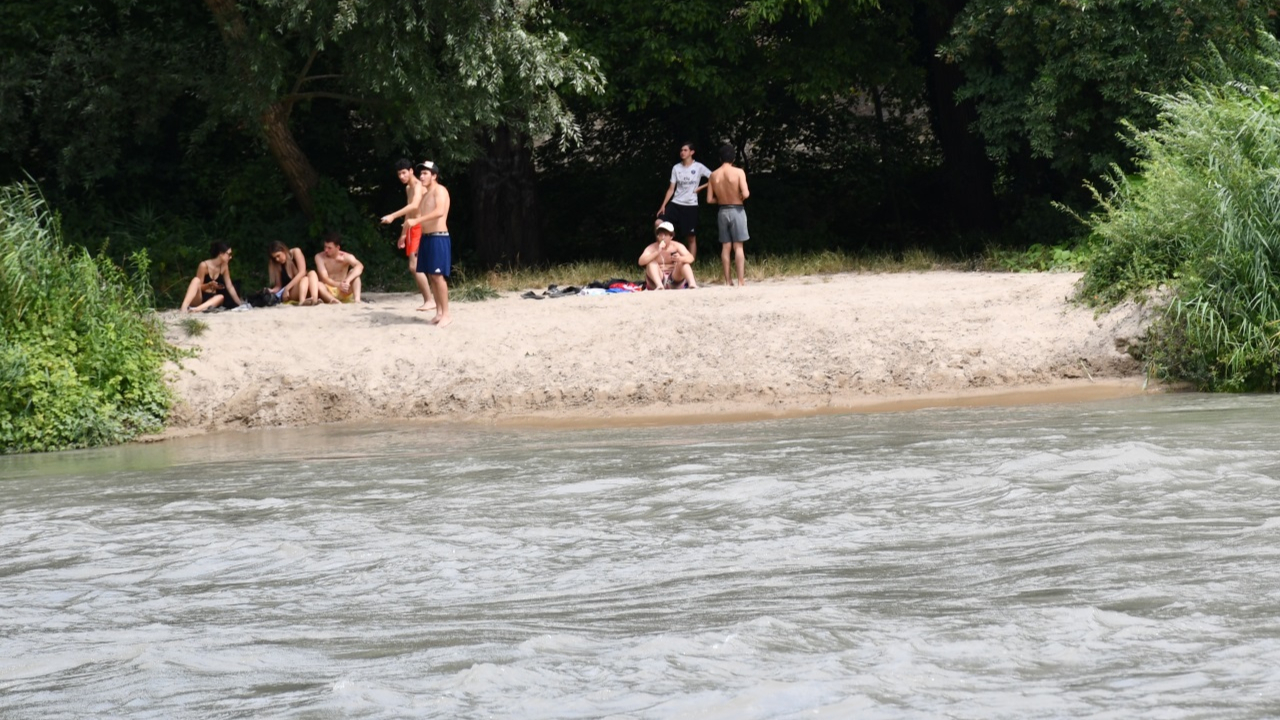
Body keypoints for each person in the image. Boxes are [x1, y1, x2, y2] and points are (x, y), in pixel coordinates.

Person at [379, 158, 435, 312]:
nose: (402, 176)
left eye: (404, 173)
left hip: (422, 226)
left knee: (414, 266)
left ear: (411, 171)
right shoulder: (408, 188)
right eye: (399, 174)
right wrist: (403, 234)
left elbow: (415, 205)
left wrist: (392, 216)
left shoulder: (418, 185)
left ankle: (429, 300)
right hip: (413, 227)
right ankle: (430, 299)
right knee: (418, 266)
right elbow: (409, 212)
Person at [405, 161, 452, 327]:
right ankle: (438, 312)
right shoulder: (425, 194)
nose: (422, 176)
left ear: (434, 176)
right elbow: (413, 210)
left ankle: (446, 314)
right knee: (432, 276)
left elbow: (439, 212)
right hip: (426, 237)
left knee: (438, 276)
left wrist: (417, 221)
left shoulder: (440, 190)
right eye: (421, 173)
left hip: (439, 237)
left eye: (425, 173)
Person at [656, 141, 712, 260]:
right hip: (676, 203)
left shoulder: (699, 167)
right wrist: (663, 205)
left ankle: (690, 264)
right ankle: (663, 257)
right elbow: (671, 188)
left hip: (690, 205)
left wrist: (701, 188)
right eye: (681, 150)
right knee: (658, 223)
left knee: (691, 237)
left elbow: (714, 177)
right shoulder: (676, 168)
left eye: (685, 150)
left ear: (692, 152)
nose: (682, 152)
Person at [706, 143, 751, 287]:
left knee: (725, 246)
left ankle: (728, 280)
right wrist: (739, 197)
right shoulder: (738, 172)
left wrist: (721, 199)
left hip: (722, 211)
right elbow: (746, 193)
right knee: (738, 246)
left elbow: (709, 199)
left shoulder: (713, 175)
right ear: (733, 158)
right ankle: (741, 281)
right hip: (737, 210)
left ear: (720, 158)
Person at [180, 241, 243, 312]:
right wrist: (209, 285)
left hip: (212, 299)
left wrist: (239, 303)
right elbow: (199, 287)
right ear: (221, 254)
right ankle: (184, 307)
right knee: (196, 280)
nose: (230, 257)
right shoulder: (204, 265)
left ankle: (196, 310)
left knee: (221, 297)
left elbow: (230, 286)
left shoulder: (224, 266)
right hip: (200, 297)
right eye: (229, 254)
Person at [639, 221, 698, 290]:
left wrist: (680, 258)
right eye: (660, 235)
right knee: (651, 263)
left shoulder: (677, 246)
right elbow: (641, 261)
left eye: (665, 235)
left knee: (683, 263)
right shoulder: (652, 248)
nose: (662, 237)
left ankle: (692, 284)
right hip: (658, 278)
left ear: (671, 236)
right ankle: (659, 286)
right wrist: (657, 252)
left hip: (673, 279)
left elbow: (691, 258)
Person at [313, 232, 363, 303]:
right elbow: (324, 277)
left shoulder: (346, 257)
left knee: (355, 275)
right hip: (328, 289)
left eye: (329, 248)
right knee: (318, 284)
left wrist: (347, 281)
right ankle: (333, 300)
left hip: (344, 289)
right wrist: (338, 285)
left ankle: (357, 300)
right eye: (325, 247)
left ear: (338, 248)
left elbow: (360, 266)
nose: (326, 250)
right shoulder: (319, 257)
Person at [267, 241, 320, 305]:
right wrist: (271, 291)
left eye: (278, 256)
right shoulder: (277, 265)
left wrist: (287, 288)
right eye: (275, 258)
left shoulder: (295, 252)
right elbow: (278, 286)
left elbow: (302, 272)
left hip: (300, 286)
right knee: (305, 279)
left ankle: (314, 299)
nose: (277, 259)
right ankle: (302, 301)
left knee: (312, 273)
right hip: (290, 292)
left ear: (283, 250)